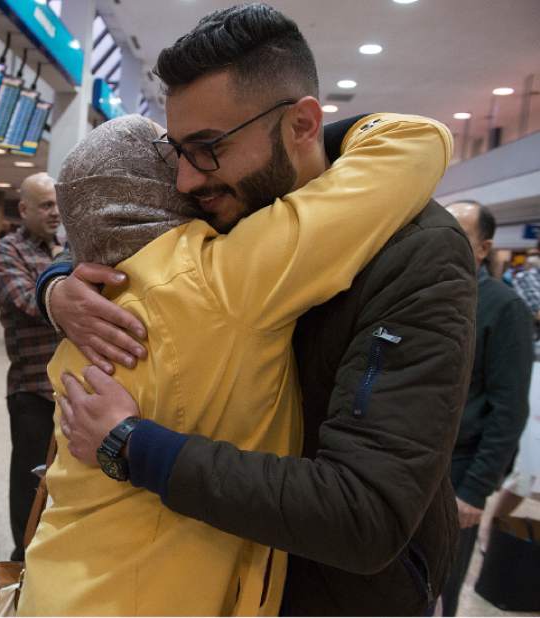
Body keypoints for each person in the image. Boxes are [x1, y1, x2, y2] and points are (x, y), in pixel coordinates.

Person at [35, 4, 477, 615]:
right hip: (226, 575)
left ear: (301, 125)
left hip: (332, 595)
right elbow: (126, 243)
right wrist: (58, 284)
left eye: (209, 148)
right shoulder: (227, 225)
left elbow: (366, 511)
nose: (187, 181)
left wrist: (133, 445)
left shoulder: (418, 251)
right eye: (177, 154)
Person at [439, 201, 533, 616]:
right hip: (418, 461)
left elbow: (509, 408)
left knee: (441, 579)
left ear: (483, 247)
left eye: (458, 234)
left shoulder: (503, 307)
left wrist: (475, 489)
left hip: (460, 469)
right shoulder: (429, 291)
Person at [0, 172, 62, 561]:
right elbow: (31, 303)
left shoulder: (65, 246)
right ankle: (23, 561)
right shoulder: (5, 252)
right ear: (23, 209)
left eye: (58, 202)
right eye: (46, 204)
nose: (55, 212)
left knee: (68, 485)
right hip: (33, 390)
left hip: (74, 391)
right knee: (29, 487)